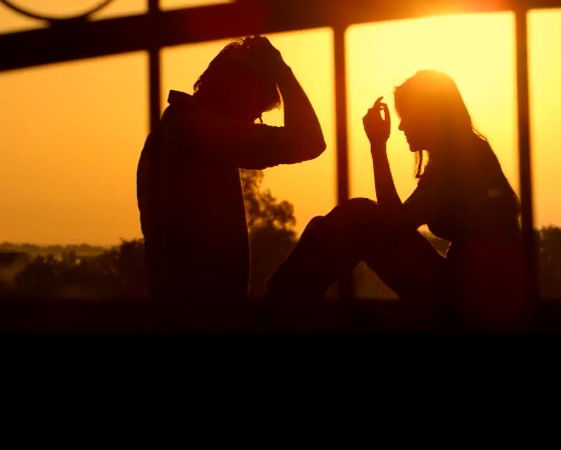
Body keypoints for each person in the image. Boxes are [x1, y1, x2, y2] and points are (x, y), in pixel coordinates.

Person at [265, 70, 528, 330]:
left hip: (476, 302)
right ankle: (287, 299)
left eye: (406, 117)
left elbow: (393, 222)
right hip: (467, 291)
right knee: (336, 221)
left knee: (358, 214)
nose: (401, 127)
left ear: (429, 115)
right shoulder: (456, 154)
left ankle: (280, 302)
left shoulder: (462, 158)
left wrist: (378, 147)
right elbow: (394, 219)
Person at [136, 36, 326, 302]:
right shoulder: (198, 130)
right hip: (203, 313)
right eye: (255, 112)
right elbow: (309, 142)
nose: (253, 122)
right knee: (346, 227)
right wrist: (282, 71)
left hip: (193, 308)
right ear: (237, 96)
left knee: (323, 230)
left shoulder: (177, 127)